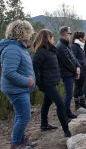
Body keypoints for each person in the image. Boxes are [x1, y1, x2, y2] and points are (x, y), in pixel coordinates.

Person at [0, 20, 36, 149]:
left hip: (19, 88)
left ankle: (21, 139)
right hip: (16, 89)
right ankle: (16, 144)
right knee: (24, 117)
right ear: (23, 32)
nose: (30, 35)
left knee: (20, 115)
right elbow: (9, 72)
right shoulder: (12, 49)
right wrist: (28, 81)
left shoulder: (17, 47)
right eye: (29, 32)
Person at [32, 29, 71, 137]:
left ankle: (44, 125)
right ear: (47, 38)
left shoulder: (51, 50)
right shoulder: (41, 52)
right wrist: (39, 83)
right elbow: (35, 67)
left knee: (46, 103)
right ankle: (66, 131)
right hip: (46, 83)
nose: (53, 37)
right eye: (52, 36)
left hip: (51, 82)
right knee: (60, 104)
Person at [56, 26, 81, 119]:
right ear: (65, 34)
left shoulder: (66, 45)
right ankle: (65, 113)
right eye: (70, 33)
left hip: (70, 73)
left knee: (69, 94)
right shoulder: (61, 46)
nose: (71, 35)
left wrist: (78, 66)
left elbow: (73, 58)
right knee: (68, 95)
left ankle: (68, 111)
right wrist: (75, 71)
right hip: (66, 74)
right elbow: (67, 62)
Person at [71, 31, 86, 110]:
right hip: (79, 69)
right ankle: (77, 104)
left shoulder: (81, 46)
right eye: (85, 37)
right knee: (78, 87)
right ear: (81, 38)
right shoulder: (75, 46)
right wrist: (82, 62)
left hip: (83, 68)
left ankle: (82, 102)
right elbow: (73, 58)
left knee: (81, 87)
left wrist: (85, 62)